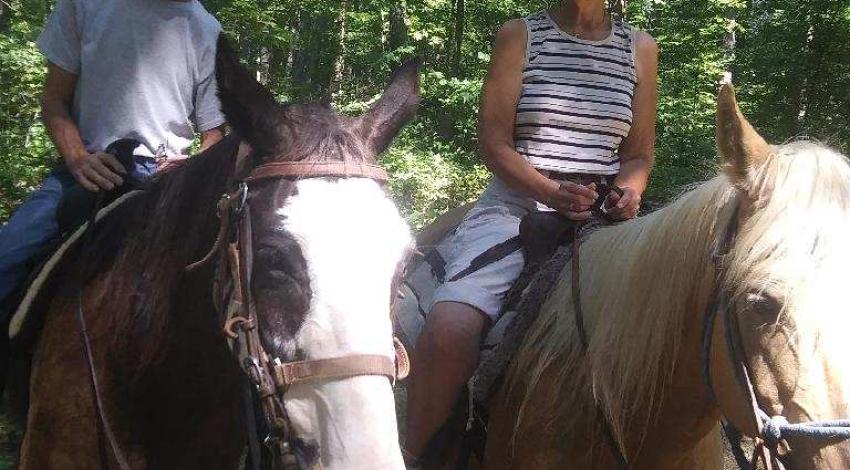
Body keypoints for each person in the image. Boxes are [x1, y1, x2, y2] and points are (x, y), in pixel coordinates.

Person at [404, 0, 658, 462]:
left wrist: (629, 190)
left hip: (603, 218)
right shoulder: (520, 35)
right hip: (515, 208)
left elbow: (638, 153)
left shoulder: (641, 49)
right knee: (450, 327)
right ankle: (420, 457)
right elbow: (494, 142)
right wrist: (549, 190)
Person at [0, 0, 227, 321]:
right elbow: (53, 101)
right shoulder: (85, 5)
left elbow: (214, 136)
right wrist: (78, 157)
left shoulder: (207, 29)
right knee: (6, 259)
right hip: (82, 171)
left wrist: (189, 169)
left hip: (166, 185)